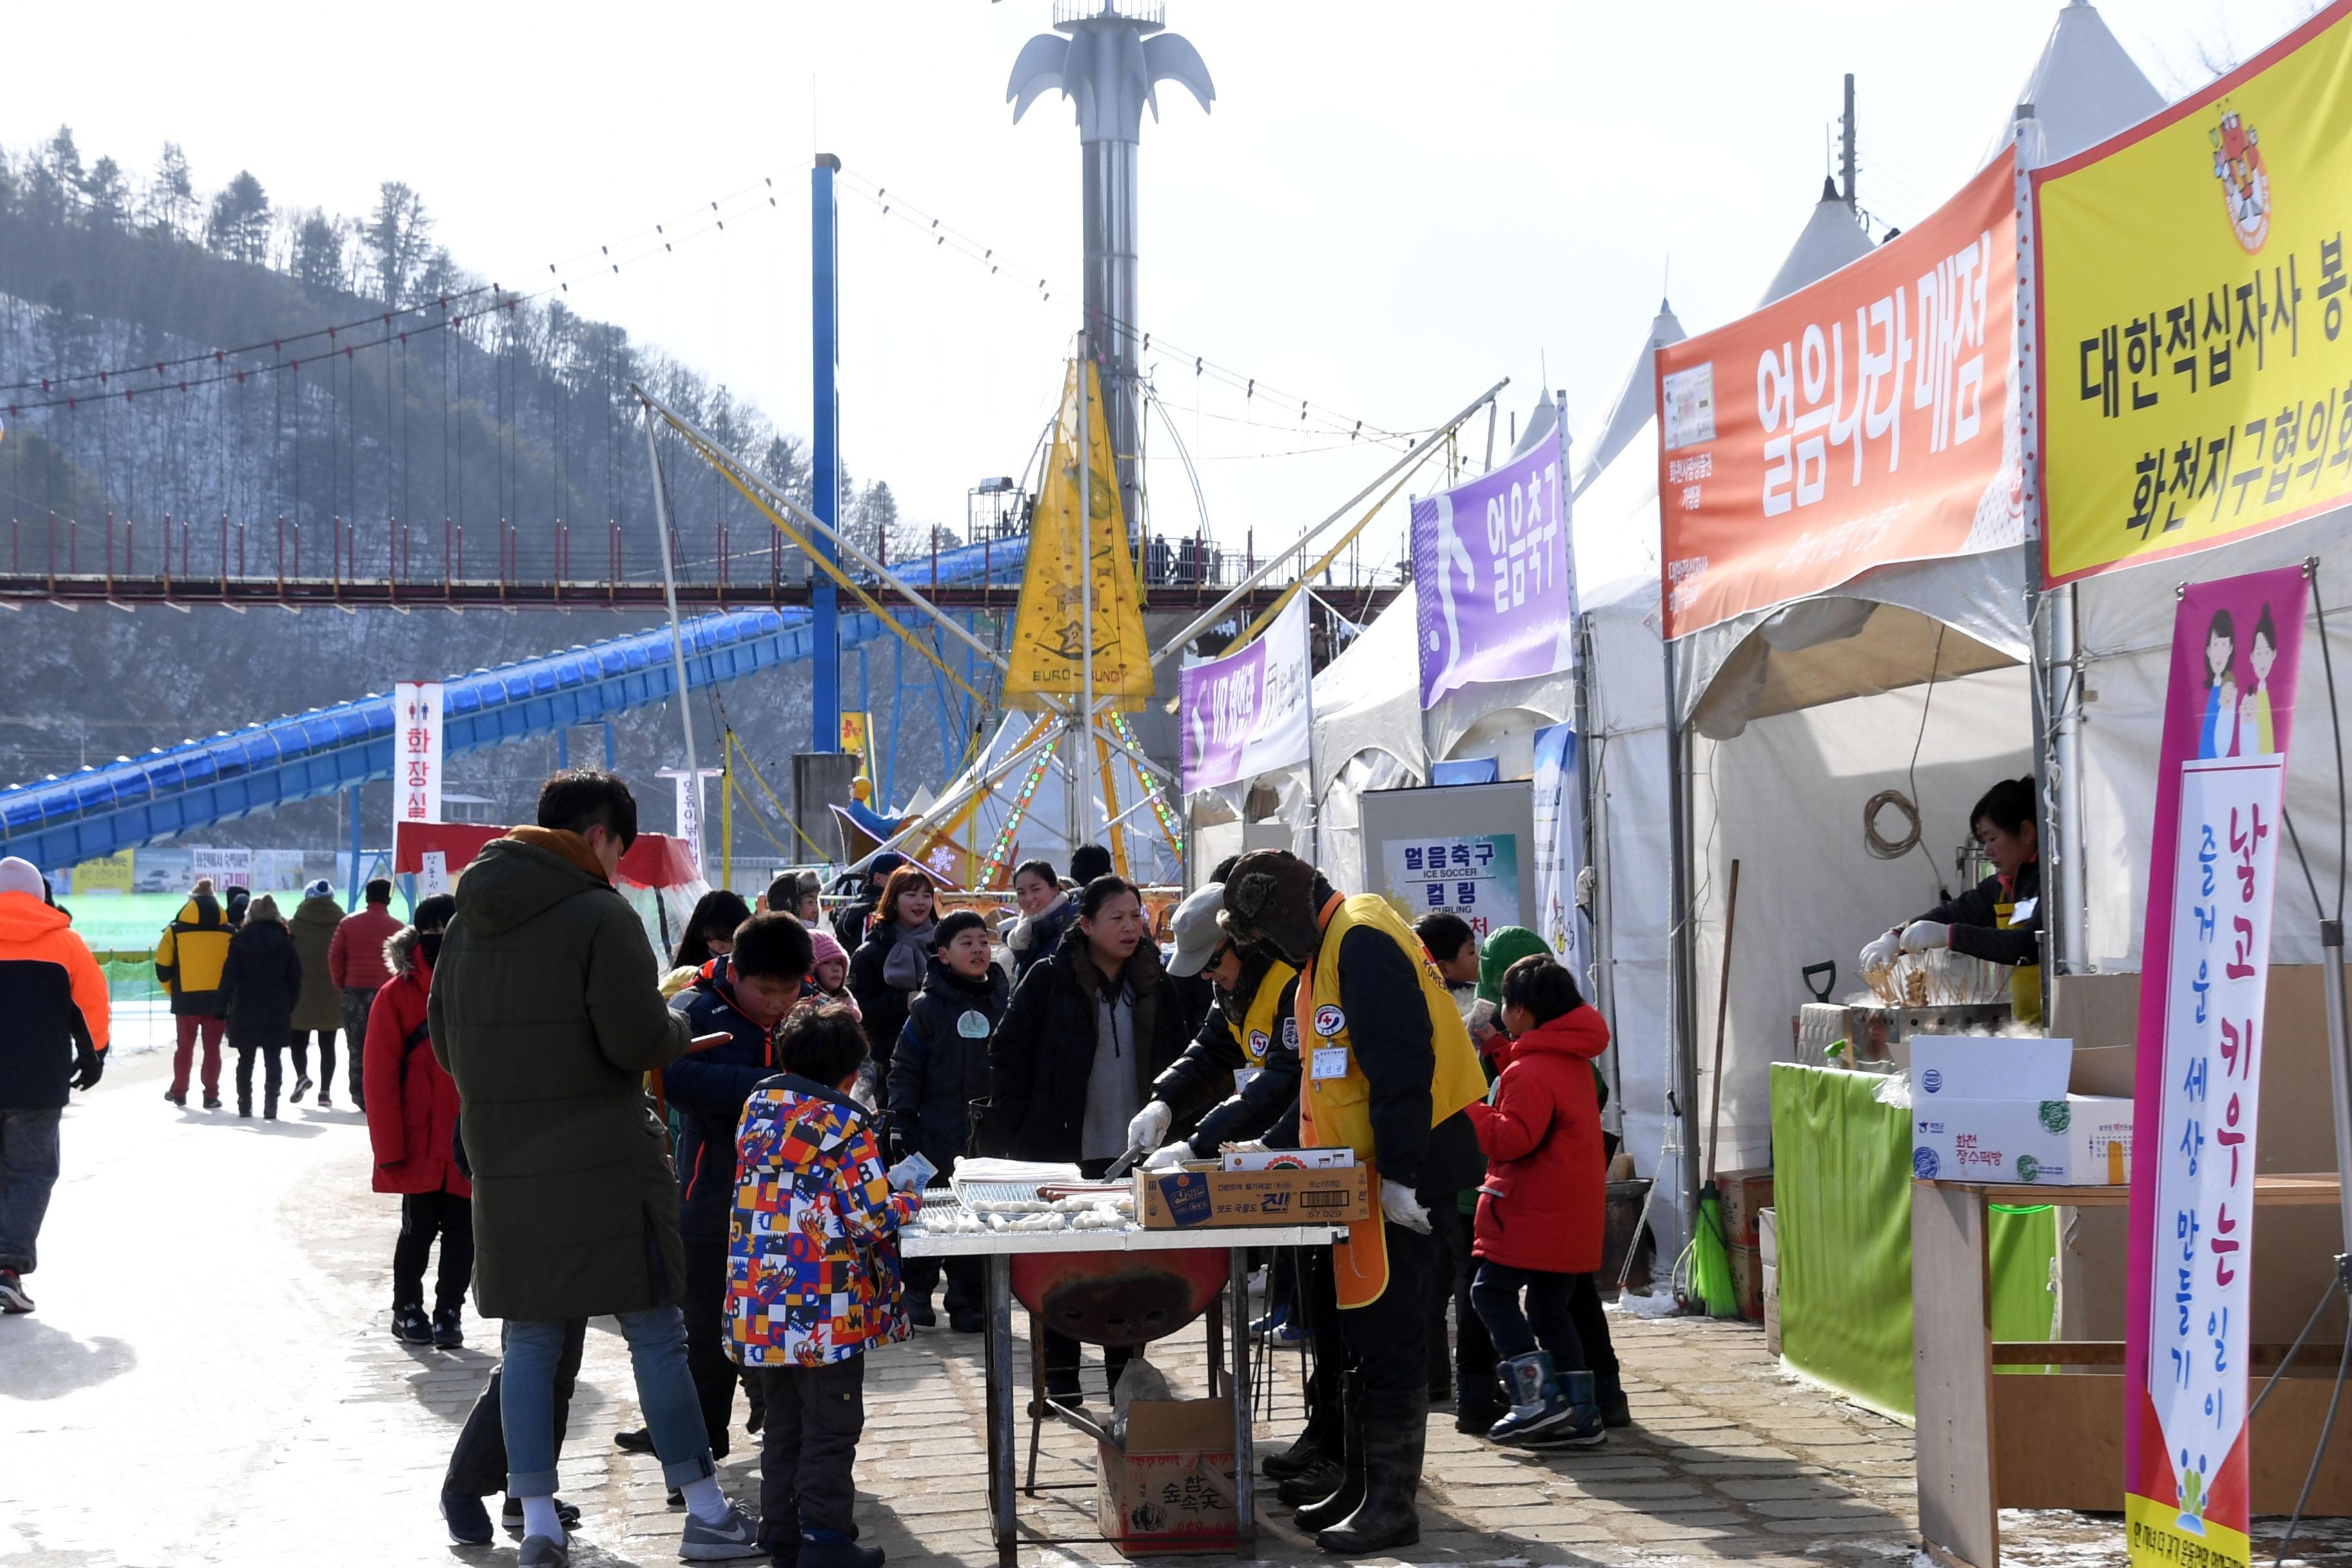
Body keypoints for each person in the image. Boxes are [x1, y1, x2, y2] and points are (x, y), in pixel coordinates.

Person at [428, 769, 761, 1567]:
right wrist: (678, 1032)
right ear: (603, 835)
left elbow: (447, 1044)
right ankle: (706, 1513)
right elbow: (635, 1040)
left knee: (531, 1341)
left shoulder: (470, 920)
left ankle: (539, 1523)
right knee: (657, 1331)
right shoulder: (601, 915)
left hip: (507, 1163)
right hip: (605, 1160)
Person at [1218, 849, 1487, 1556]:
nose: (1271, 951)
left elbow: (1403, 1059)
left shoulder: (1361, 937)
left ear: (1289, 912)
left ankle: (1392, 1506)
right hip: (1357, 1178)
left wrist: (1400, 1171)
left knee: (1394, 1339)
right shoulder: (1330, 946)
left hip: (1407, 1170)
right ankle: (1365, 1486)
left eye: (1271, 936)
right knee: (1363, 1336)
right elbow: (1324, 1075)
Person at [729, 1003, 923, 1568]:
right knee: (832, 1425)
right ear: (850, 1073)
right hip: (824, 1309)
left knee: (783, 1424)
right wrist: (906, 1198)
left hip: (761, 1304)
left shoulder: (757, 1110)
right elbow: (870, 1217)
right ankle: (826, 1541)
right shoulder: (844, 1125)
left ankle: (782, 1535)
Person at [984, 874, 1185, 1405]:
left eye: (1136, 916)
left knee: (1131, 1271)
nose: (1129, 927)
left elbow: (1185, 1059)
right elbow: (1006, 1052)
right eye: (1116, 917)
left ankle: (1126, 1379)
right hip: (1064, 1149)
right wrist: (1024, 1128)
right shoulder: (1050, 979)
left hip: (1138, 1153)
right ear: (1087, 924)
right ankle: (1060, 1382)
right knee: (1064, 1269)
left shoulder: (1157, 982)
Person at [646, 911, 814, 1464]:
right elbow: (671, 1077)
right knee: (705, 1330)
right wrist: (770, 1089)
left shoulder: (810, 1007)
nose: (778, 1004)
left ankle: (786, 1441)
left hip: (792, 1204)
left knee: (783, 1322)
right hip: (711, 1195)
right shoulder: (692, 1009)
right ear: (735, 972)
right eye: (766, 991)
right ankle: (700, 1449)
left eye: (788, 991)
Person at [1475, 925, 1626, 1429]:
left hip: (1532, 1213)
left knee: (1490, 1294)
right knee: (1548, 1308)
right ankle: (1582, 1412)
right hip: (1571, 1216)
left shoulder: (1530, 1071)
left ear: (1523, 1010)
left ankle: (1537, 1399)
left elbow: (1512, 1138)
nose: (1500, 1009)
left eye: (1504, 1002)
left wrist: (1468, 1111)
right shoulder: (1573, 1062)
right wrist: (1499, 1048)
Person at [887, 910, 1007, 1333]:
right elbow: (904, 1066)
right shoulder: (928, 1008)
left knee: (975, 1216)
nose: (978, 949)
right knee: (928, 1215)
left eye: (983, 941)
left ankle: (966, 1299)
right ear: (943, 954)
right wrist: (900, 1119)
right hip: (934, 1130)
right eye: (966, 943)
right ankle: (916, 1292)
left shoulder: (1001, 1001)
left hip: (984, 1135)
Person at [363, 892, 472, 1350]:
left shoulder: (479, 987)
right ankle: (407, 1308)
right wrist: (389, 1150)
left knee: (463, 1233)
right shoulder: (395, 996)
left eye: (446, 930)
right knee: (418, 1229)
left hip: (465, 1138)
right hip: (420, 1139)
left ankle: (449, 1310)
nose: (438, 939)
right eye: (430, 931)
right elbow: (379, 1077)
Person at [0, 856, 108, 1315]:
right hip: (37, 1082)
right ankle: (7, 1267)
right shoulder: (64, 943)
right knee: (30, 1171)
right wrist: (94, 1054)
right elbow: (91, 1005)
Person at [1859, 776, 2044, 1025]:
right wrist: (1894, 938)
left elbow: (2027, 945)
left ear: (2026, 832)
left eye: (1992, 839)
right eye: (1982, 842)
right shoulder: (2000, 888)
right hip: (2028, 1026)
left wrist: (1950, 936)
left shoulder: (2052, 883)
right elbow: (1953, 913)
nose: (1987, 852)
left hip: (2064, 1026)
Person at [1416, 911, 1497, 1424]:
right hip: (1465, 1172)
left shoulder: (1435, 1005)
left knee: (1434, 1279)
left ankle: (1435, 1380)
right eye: (1471, 952)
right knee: (1463, 1281)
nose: (1478, 961)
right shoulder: (1454, 1014)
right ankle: (1472, 1388)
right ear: (1442, 963)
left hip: (1442, 1169)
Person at [220, 894, 304, 1121]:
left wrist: (221, 1006)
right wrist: (288, 1004)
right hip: (276, 1005)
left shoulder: (239, 941)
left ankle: (244, 1104)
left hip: (245, 1005)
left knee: (245, 1059)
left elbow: (229, 977)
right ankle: (271, 1104)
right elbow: (295, 979)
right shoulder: (285, 942)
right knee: (273, 1057)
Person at [845, 865, 934, 1078]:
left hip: (936, 1061)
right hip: (885, 1064)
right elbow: (855, 1012)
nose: (920, 902)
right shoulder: (870, 953)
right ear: (893, 899)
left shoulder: (942, 948)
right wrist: (902, 1001)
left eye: (927, 895)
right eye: (911, 895)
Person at [155, 876, 234, 1110]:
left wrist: (173, 991)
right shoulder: (229, 931)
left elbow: (162, 966)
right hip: (218, 999)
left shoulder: (175, 930)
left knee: (185, 1048)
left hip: (186, 998)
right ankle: (211, 1095)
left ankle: (179, 1091)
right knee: (213, 1049)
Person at [331, 878, 403, 1115]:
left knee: (356, 1045)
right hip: (386, 994)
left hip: (355, 991)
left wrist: (342, 983)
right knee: (385, 1045)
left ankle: (359, 1094)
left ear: (366, 897)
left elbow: (335, 958)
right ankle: (382, 1092)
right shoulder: (397, 927)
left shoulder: (348, 924)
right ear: (388, 898)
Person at [289, 879, 347, 1108]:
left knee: (298, 1041)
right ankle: (325, 1092)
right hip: (332, 992)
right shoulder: (342, 924)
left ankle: (302, 1076)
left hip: (301, 991)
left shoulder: (294, 925)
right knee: (328, 1045)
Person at [999, 858, 1075, 982]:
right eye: (1021, 893)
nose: (1029, 898)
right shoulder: (1022, 936)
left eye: (1036, 890)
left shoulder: (1070, 928)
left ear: (1055, 889)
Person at [830, 852, 908, 952]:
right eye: (898, 876)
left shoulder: (893, 906)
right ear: (878, 878)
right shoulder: (874, 912)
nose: (905, 881)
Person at [805, 930, 861, 1019]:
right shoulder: (808, 1010)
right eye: (826, 962)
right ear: (812, 970)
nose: (836, 968)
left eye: (838, 963)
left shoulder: (849, 1000)